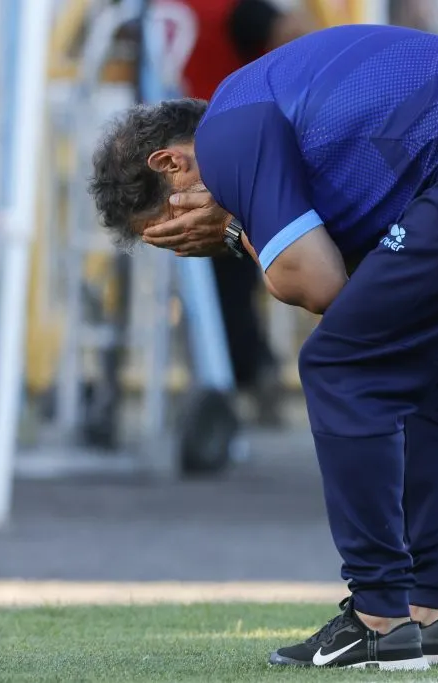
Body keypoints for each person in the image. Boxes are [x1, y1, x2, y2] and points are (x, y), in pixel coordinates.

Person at [90, 25, 438, 670]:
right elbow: (354, 288)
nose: (193, 241)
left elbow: (317, 287)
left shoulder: (228, 125)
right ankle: (432, 615)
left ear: (172, 164)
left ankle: (378, 616)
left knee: (338, 366)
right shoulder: (307, 130)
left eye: (174, 229)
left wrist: (237, 226)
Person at [171, 0, 315, 424]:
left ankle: (243, 377)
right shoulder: (208, 10)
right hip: (201, 162)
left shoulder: (227, 10)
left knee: (228, 282)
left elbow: (294, 32)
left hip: (225, 163)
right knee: (221, 283)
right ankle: (243, 374)